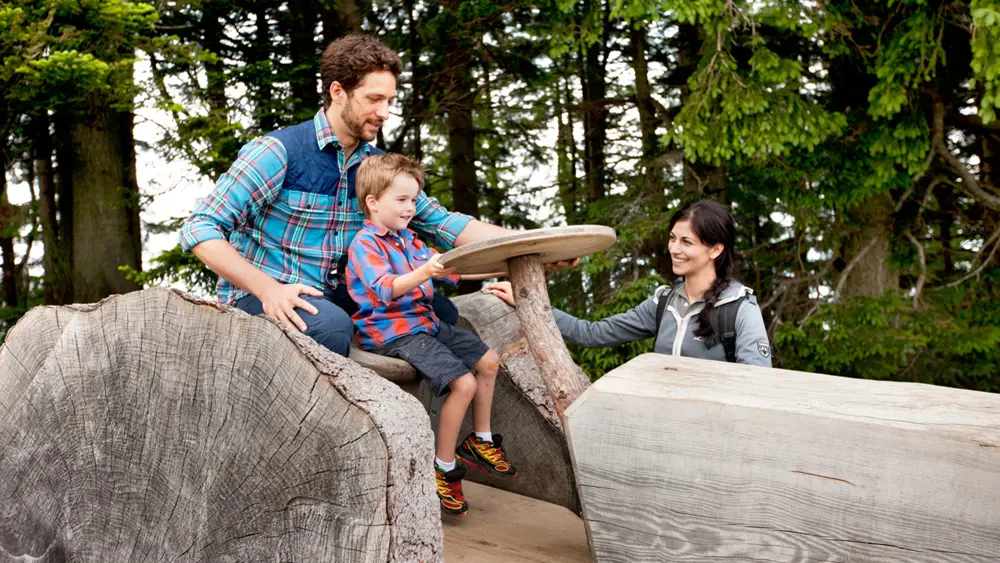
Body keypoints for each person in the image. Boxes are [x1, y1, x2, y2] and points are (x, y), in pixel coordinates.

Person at [178, 33, 512, 357]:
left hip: (339, 293)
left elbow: (444, 224)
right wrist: (268, 289)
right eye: (374, 99)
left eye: (389, 101)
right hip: (267, 293)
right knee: (331, 326)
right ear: (338, 92)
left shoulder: (375, 167)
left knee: (438, 311)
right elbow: (200, 228)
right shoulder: (277, 152)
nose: (385, 112)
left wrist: (531, 246)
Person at [346, 154, 518, 518]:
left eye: (414, 199)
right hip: (393, 332)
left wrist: (507, 264)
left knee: (488, 362)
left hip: (424, 323)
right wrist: (426, 271)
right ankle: (442, 468)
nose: (411, 208)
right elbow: (386, 289)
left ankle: (480, 440)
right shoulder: (365, 244)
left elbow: (456, 268)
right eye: (402, 200)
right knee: (464, 385)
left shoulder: (409, 241)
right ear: (373, 202)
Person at [486, 199, 772, 367]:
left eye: (687, 242)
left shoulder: (740, 308)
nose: (674, 249)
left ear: (715, 249)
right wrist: (530, 303)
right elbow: (591, 334)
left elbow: (756, 387)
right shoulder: (664, 302)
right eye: (673, 238)